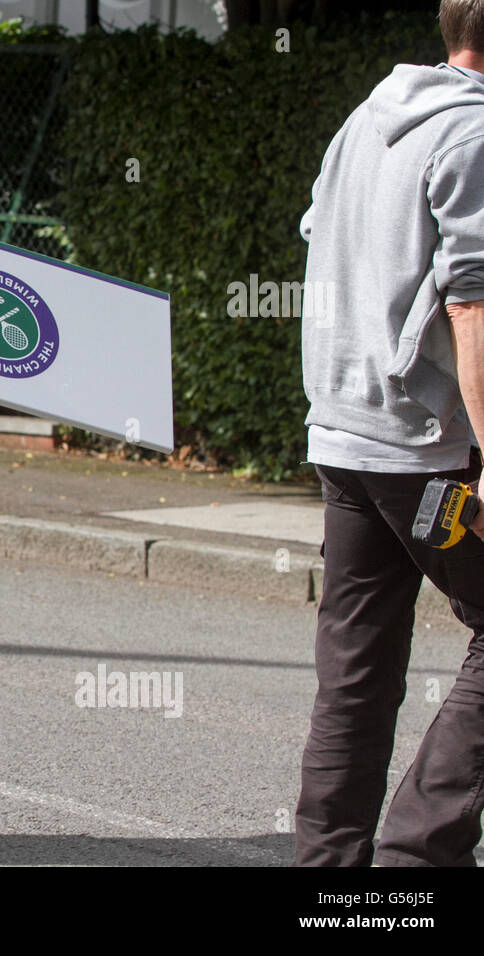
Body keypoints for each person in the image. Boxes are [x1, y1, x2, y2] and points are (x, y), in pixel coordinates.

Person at [294, 0, 484, 867]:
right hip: (428, 452)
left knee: (356, 668)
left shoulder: (368, 118)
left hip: (345, 432)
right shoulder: (474, 136)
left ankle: (330, 875)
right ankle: (416, 863)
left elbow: (318, 236)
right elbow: (474, 306)